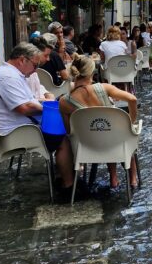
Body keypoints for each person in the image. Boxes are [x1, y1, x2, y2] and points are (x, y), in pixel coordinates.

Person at [0, 42, 75, 195]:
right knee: (65, 138)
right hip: (20, 132)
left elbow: (29, 102)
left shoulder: (13, 74)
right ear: (22, 60)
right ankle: (69, 186)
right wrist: (51, 107)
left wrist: (48, 104)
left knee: (66, 128)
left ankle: (65, 176)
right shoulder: (7, 77)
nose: (35, 70)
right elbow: (24, 108)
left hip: (25, 126)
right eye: (35, 65)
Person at [59, 55, 140, 190]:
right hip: (114, 140)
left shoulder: (64, 101)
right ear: (91, 73)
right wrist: (131, 122)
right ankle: (132, 180)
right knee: (120, 133)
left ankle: (113, 178)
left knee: (102, 132)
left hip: (87, 146)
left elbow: (69, 131)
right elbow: (132, 99)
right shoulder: (104, 88)